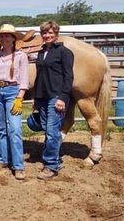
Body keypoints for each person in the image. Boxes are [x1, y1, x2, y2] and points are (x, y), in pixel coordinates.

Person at [0, 24, 29, 180]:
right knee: (0, 128)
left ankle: (18, 165)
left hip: (12, 92)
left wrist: (19, 98)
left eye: (7, 36)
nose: (4, 38)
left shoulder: (21, 56)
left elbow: (24, 80)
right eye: (2, 36)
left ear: (13, 38)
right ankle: (2, 159)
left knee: (15, 129)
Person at [32, 20, 74, 180]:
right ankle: (54, 159)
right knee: (47, 129)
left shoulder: (64, 52)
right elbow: (39, 76)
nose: (47, 35)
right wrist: (36, 96)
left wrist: (63, 97)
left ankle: (51, 166)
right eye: (44, 33)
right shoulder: (42, 52)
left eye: (50, 32)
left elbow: (69, 77)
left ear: (56, 34)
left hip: (56, 97)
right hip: (42, 96)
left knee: (52, 131)